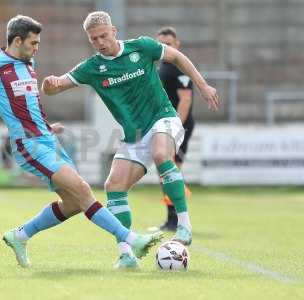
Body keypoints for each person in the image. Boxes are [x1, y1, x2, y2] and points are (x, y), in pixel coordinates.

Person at [0, 15, 162, 268]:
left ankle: (20, 235)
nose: (37, 48)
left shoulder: (29, 63)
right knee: (83, 190)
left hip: (48, 140)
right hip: (29, 145)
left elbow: (28, 103)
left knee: (72, 203)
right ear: (17, 41)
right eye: (33, 43)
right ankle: (131, 241)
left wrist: (48, 126)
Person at [41, 11, 219, 269]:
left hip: (163, 118)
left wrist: (202, 85)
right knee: (113, 185)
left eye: (103, 35)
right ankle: (126, 254)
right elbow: (56, 86)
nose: (100, 42)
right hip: (134, 136)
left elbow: (177, 57)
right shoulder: (92, 67)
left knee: (161, 154)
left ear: (114, 31)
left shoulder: (141, 47)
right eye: (94, 39)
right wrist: (49, 84)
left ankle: (184, 226)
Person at [156, 27, 195, 231]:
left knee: (171, 171)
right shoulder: (163, 66)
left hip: (179, 126)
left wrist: (175, 129)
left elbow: (185, 100)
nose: (165, 47)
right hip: (166, 125)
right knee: (167, 171)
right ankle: (173, 218)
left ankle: (176, 220)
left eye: (169, 44)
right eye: (161, 44)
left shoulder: (179, 66)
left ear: (177, 44)